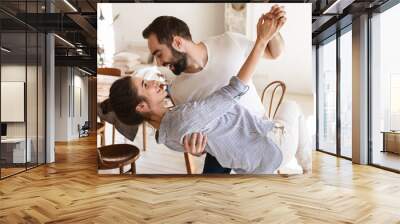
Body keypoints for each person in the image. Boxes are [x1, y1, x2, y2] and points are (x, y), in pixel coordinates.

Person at [107, 13, 296, 174]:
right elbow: (229, 96)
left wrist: (273, 31)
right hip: (259, 148)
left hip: (256, 139)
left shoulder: (229, 42)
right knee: (292, 107)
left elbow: (275, 53)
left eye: (158, 54)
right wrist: (198, 150)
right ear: (140, 106)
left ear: (178, 43)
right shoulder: (177, 93)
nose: (157, 64)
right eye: (146, 84)